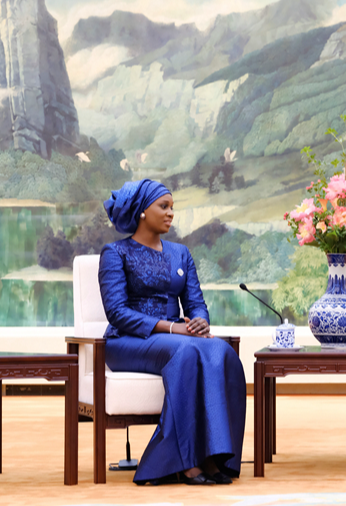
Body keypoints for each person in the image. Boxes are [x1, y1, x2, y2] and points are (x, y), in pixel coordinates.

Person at [98, 179, 246, 486]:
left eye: (172, 208)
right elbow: (117, 313)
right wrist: (173, 327)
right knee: (186, 350)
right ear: (142, 212)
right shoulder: (115, 253)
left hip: (176, 337)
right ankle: (183, 462)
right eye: (163, 207)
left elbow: (195, 302)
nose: (170, 214)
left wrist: (199, 322)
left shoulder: (181, 254)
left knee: (221, 350)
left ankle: (213, 456)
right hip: (128, 340)